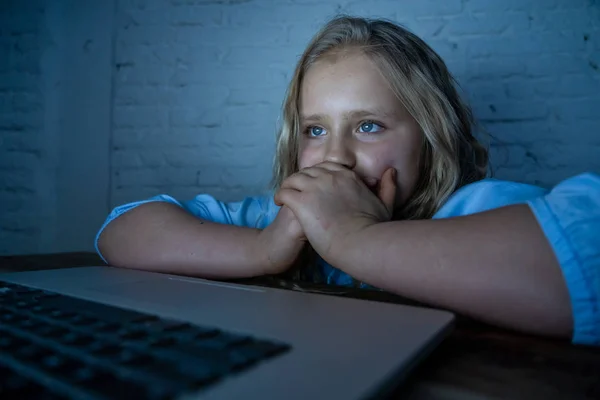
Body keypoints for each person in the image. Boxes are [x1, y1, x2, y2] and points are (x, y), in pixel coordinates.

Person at [96, 16, 600, 346]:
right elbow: (122, 231)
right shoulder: (281, 222)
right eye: (316, 130)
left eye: (368, 126)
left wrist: (357, 238)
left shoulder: (473, 210)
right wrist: (264, 250)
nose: (335, 155)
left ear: (429, 137)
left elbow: (582, 251)